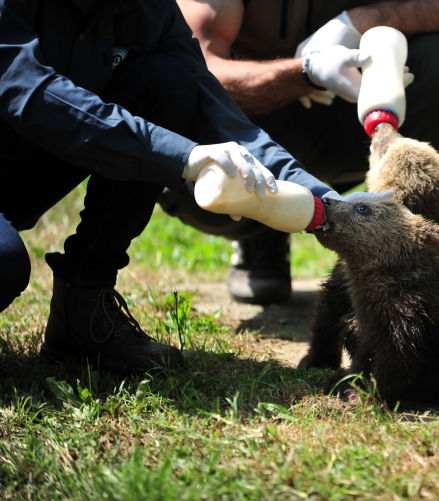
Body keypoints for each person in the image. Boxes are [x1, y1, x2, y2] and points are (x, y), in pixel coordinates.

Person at [0, 0, 377, 373]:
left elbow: (218, 112)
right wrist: (184, 155)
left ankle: (83, 310)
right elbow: (26, 90)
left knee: (168, 81)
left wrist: (328, 203)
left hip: (31, 168)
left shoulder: (151, 10)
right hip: (21, 137)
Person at [161, 0, 439, 305]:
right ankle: (263, 233)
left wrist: (359, 20)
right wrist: (304, 73)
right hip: (248, 125)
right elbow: (195, 68)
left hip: (352, 109)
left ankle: (394, 251)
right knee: (166, 88)